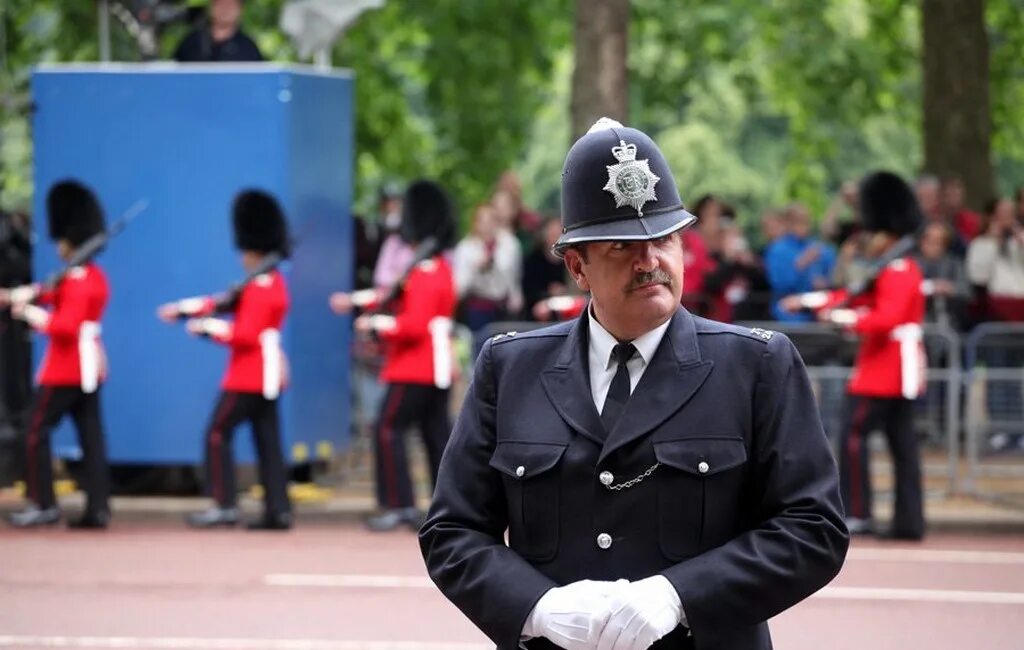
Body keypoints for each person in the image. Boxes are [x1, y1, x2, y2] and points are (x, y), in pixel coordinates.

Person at [420, 118, 848, 650]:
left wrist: (681, 595)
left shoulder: (757, 364)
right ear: (578, 266)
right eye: (622, 246)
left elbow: (813, 529)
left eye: (664, 238)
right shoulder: (510, 368)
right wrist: (537, 606)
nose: (651, 261)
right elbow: (452, 532)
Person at [782, 171, 927, 541]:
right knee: (902, 445)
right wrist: (811, 302)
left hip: (885, 368)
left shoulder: (898, 268)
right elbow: (854, 296)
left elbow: (883, 318)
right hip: (896, 369)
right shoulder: (895, 266)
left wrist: (843, 317)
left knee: (853, 435)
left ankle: (859, 512)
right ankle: (908, 521)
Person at [158, 190, 292, 530]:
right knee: (268, 441)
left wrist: (206, 328)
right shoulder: (266, 282)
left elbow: (244, 333)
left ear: (255, 249)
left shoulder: (262, 286)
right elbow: (223, 300)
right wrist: (185, 310)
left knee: (217, 432)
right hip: (267, 374)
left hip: (250, 374)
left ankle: (224, 503)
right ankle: (277, 509)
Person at [330, 180, 457, 532]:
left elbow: (412, 324)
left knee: (388, 427)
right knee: (435, 437)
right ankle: (448, 507)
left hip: (415, 365)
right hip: (436, 365)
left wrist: (377, 324)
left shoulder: (426, 270)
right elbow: (394, 293)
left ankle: (399, 504)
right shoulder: (434, 267)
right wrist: (357, 303)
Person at [2, 181, 112, 529]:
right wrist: (18, 295)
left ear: (71, 241)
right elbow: (49, 292)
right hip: (88, 367)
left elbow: (64, 325)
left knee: (33, 431)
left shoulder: (79, 280)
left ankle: (43, 502)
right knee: (90, 437)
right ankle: (98, 506)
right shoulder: (89, 275)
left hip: (66, 367)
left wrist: (28, 313)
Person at [764, 203, 836, 321]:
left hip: (818, 310)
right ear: (788, 224)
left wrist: (825, 283)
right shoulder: (777, 249)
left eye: (806, 221)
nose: (804, 226)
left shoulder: (818, 247)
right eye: (798, 222)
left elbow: (834, 277)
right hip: (789, 313)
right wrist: (802, 263)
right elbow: (779, 284)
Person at [173, 0, 263, 63]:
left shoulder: (248, 48)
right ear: (212, 6)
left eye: (231, 4)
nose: (225, 9)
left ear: (240, 10)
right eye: (221, 3)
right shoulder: (191, 43)